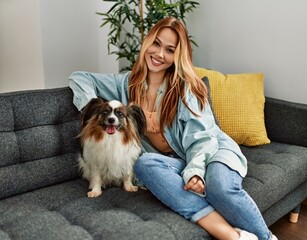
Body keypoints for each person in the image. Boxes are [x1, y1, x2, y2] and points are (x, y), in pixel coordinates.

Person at [69, 17, 277, 240]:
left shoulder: (186, 87)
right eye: (156, 44)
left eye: (170, 50)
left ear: (178, 56)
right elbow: (79, 78)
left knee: (219, 187)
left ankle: (264, 238)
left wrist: (196, 171)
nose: (159, 54)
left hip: (211, 151)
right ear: (147, 42)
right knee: (144, 164)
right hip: (171, 162)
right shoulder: (126, 84)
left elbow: (203, 139)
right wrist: (91, 109)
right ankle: (234, 236)